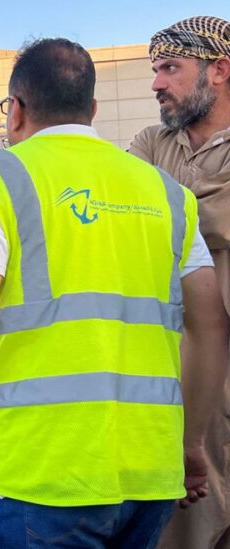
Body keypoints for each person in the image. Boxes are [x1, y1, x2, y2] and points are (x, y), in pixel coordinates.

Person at [0, 38, 227, 548]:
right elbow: (208, 324)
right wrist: (192, 442)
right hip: (150, 472)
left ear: (15, 109)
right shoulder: (167, 194)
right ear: (90, 109)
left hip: (46, 472)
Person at [128, 16, 230, 548]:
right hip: (173, 364)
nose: (156, 83)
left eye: (170, 67)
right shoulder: (150, 142)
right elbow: (127, 220)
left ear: (219, 69)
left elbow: (165, 220)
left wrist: (175, 212)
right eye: (154, 69)